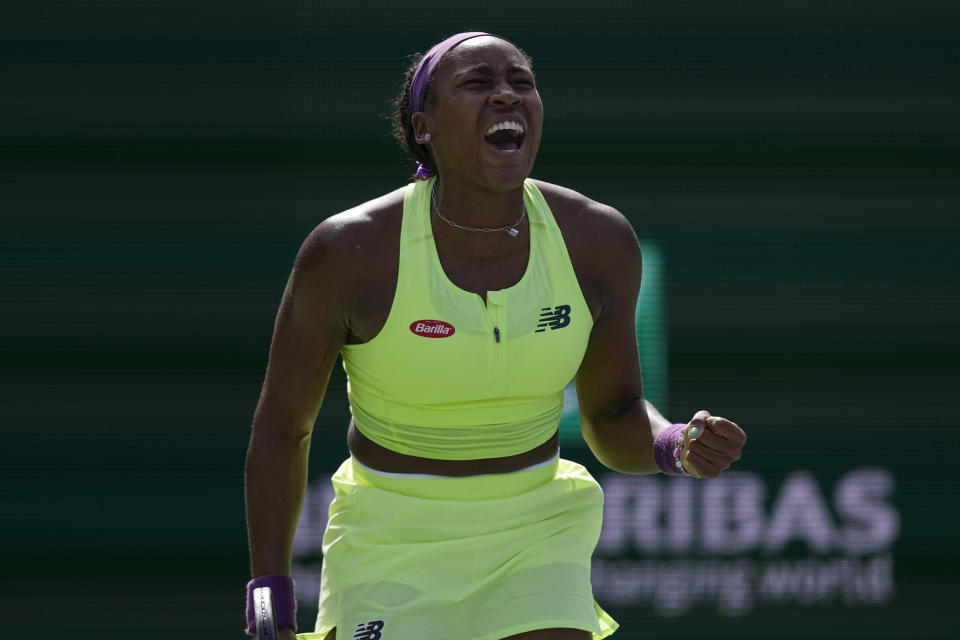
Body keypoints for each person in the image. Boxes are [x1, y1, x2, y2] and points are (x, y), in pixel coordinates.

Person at [244, 32, 746, 640]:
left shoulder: (598, 241)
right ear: (423, 126)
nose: (506, 95)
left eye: (522, 83)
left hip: (534, 528)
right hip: (389, 535)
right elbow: (281, 429)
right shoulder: (348, 251)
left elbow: (612, 415)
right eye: (478, 84)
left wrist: (674, 444)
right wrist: (268, 589)